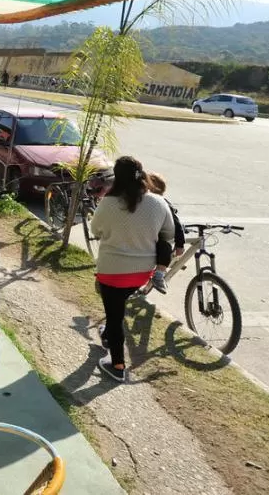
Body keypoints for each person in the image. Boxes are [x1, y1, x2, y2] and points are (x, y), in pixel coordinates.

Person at [90, 155, 174, 382]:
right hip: (142, 273)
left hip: (111, 273)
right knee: (116, 311)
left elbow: (96, 231)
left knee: (115, 316)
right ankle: (107, 334)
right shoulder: (158, 202)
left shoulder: (107, 203)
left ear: (116, 177)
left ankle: (117, 365)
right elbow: (169, 234)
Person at [146, 172, 186, 294]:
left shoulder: (162, 203)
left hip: (158, 238)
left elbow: (177, 223)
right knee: (164, 248)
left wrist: (180, 244)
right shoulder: (144, 200)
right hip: (148, 236)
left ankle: (158, 275)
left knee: (165, 247)